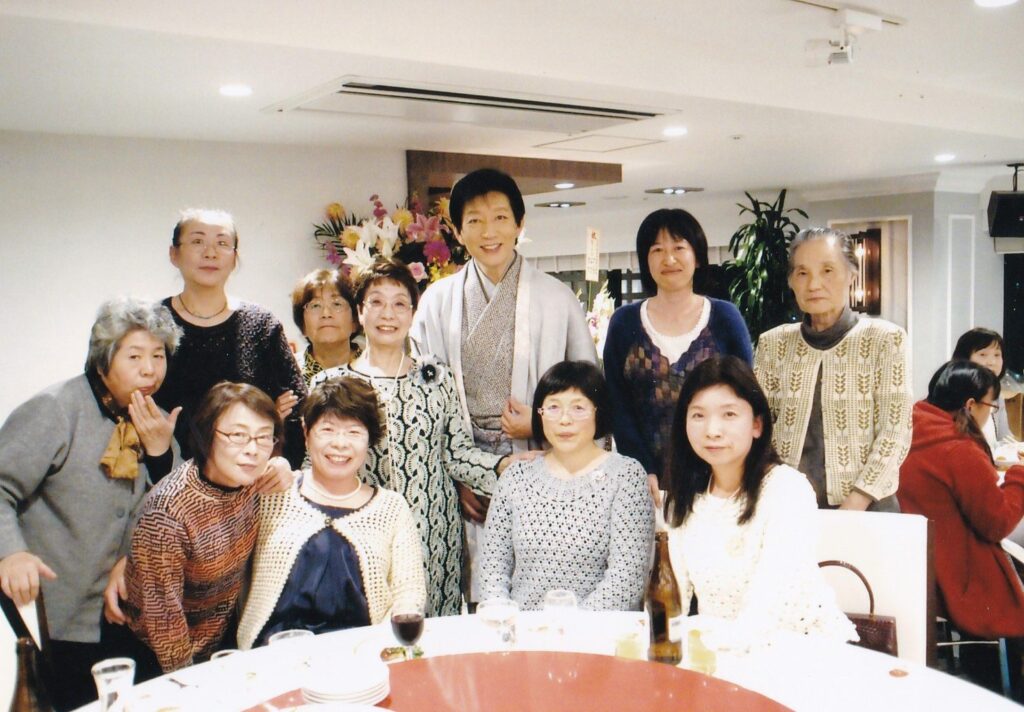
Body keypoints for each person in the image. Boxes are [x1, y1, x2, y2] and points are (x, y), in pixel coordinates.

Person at [410, 168, 597, 603]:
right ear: (458, 231)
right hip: (464, 476)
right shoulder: (437, 300)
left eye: (499, 218)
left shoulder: (556, 298)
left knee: (544, 593)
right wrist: (461, 477)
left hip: (541, 461)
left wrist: (539, 423)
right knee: (478, 597)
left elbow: (589, 392)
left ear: (520, 223)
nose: (488, 232)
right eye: (474, 221)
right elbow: (424, 399)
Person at [313, 260, 524, 617]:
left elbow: (456, 453)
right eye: (376, 302)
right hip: (362, 534)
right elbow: (314, 465)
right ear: (360, 312)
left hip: (434, 534)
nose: (388, 314)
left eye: (400, 304)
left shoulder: (435, 377)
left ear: (412, 314)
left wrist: (505, 465)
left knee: (434, 636)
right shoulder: (331, 384)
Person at [0, 297, 181, 711]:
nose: (150, 369)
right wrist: (11, 553)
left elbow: (172, 512)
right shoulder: (56, 409)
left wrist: (160, 454)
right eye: (134, 356)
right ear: (103, 361)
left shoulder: (155, 418)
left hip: (127, 614)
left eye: (158, 356)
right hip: (55, 612)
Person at [664, 356, 856, 649]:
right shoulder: (684, 496)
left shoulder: (787, 490)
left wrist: (717, 651)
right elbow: (674, 593)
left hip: (802, 650)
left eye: (729, 414)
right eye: (698, 415)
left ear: (756, 424)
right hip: (724, 653)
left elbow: (767, 603)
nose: (712, 430)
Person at [237, 377, 426, 648]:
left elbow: (409, 593)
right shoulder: (273, 491)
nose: (340, 444)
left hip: (360, 655)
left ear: (369, 439)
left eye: (354, 432)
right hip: (274, 655)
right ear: (306, 432)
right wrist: (265, 467)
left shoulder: (391, 508)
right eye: (327, 429)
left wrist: (382, 646)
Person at [124, 382, 283, 673]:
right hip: (160, 660)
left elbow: (281, 470)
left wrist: (282, 465)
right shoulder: (168, 513)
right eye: (238, 435)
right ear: (207, 434)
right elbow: (165, 625)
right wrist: (193, 685)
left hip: (219, 644)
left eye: (264, 437)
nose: (253, 450)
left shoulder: (251, 480)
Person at [754, 227, 912, 511]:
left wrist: (856, 503)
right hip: (789, 506)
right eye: (802, 273)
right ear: (791, 281)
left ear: (852, 275)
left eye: (827, 270)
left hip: (870, 507)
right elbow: (760, 426)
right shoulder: (773, 344)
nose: (814, 284)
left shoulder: (886, 339)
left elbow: (895, 431)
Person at [479, 361, 654, 611]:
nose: (564, 420)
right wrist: (504, 619)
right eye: (553, 407)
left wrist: (571, 627)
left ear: (598, 412)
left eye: (578, 408)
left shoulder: (626, 476)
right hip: (524, 629)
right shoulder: (515, 478)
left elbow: (626, 580)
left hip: (597, 630)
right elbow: (492, 570)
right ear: (539, 414)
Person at [603, 208, 752, 493]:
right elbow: (618, 404)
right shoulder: (624, 322)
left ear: (697, 256)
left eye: (679, 248)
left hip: (720, 478)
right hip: (646, 483)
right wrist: (641, 469)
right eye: (657, 250)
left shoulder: (725, 317)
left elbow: (744, 399)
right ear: (645, 259)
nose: (669, 259)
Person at [154, 208, 307, 469]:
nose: (210, 253)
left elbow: (296, 405)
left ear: (235, 258)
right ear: (174, 254)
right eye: (197, 241)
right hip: (164, 474)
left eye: (222, 243)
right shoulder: (153, 323)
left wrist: (273, 440)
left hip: (250, 476)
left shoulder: (260, 324)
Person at [898, 360, 1024, 639]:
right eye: (991, 407)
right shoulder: (959, 449)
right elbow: (998, 523)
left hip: (921, 569)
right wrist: (1019, 476)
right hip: (959, 577)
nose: (990, 414)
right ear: (970, 405)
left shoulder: (912, 427)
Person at [290, 268, 359, 388]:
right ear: (303, 324)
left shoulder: (375, 369)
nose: (326, 314)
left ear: (355, 321)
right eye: (315, 306)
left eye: (337, 304)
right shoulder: (287, 374)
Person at [952, 328, 1014, 446]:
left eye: (997, 355)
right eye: (983, 354)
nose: (992, 362)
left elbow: (1005, 439)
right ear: (965, 358)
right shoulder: (953, 394)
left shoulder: (996, 395)